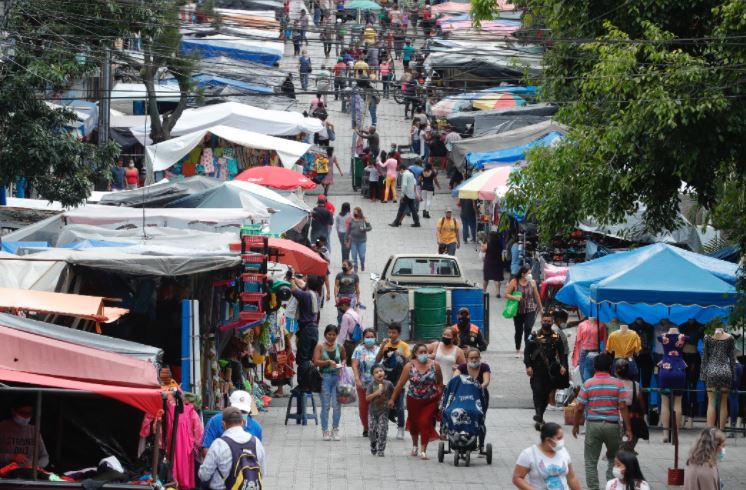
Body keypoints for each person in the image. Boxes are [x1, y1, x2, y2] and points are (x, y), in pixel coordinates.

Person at [572, 353, 632, 490]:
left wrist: (576, 425)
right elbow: (622, 407)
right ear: (611, 367)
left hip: (593, 425)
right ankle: (612, 486)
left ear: (594, 367)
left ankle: (594, 488)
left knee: (591, 461)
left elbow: (579, 407)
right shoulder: (617, 384)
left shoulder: (588, 383)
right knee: (613, 458)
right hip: (612, 426)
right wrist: (628, 429)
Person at [389, 343, 443, 459]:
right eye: (421, 352)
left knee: (425, 422)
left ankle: (423, 450)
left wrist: (439, 397)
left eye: (425, 352)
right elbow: (400, 384)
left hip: (430, 399)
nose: (424, 354)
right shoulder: (409, 366)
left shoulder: (435, 365)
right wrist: (392, 399)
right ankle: (415, 446)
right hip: (413, 400)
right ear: (415, 354)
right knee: (414, 424)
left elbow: (440, 383)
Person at [198, 406, 266, 490]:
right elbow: (262, 473)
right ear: (243, 422)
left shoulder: (219, 444)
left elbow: (204, 475)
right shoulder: (256, 442)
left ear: (223, 424)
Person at [525, 312, 568, 430]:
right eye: (545, 321)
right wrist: (528, 366)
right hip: (536, 369)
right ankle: (538, 414)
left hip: (550, 371)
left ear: (552, 322)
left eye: (549, 321)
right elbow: (526, 352)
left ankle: (540, 415)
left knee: (545, 395)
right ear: (541, 321)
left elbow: (562, 353)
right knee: (537, 391)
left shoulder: (556, 337)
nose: (546, 323)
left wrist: (563, 365)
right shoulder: (534, 335)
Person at [512, 422, 582, 490]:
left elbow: (571, 477)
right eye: (559, 438)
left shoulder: (563, 451)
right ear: (548, 440)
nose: (562, 441)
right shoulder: (528, 454)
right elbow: (517, 478)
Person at [376, 324, 412, 440]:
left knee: (400, 406)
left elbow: (409, 362)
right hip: (386, 380)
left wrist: (402, 355)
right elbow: (377, 360)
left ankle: (401, 428)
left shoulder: (404, 346)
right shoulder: (386, 345)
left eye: (394, 333)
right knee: (384, 405)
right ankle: (383, 427)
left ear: (399, 333)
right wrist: (382, 347)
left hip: (399, 380)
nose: (391, 335)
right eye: (390, 332)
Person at [202, 390, 263, 457]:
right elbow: (206, 448)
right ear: (229, 406)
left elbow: (258, 454)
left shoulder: (256, 428)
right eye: (236, 411)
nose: (239, 414)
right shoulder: (215, 421)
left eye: (243, 412)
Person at [313, 324, 347, 441]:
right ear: (325, 335)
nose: (331, 337)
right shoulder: (320, 347)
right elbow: (316, 362)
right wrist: (327, 362)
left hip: (338, 378)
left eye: (333, 334)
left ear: (336, 335)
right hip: (325, 378)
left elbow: (344, 358)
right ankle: (325, 430)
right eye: (329, 334)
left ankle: (335, 429)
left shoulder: (340, 346)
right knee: (326, 406)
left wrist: (342, 364)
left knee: (337, 406)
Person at [454, 347, 492, 451]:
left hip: (480, 396)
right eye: (471, 358)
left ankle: (481, 445)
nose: (474, 360)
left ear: (480, 358)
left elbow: (486, 381)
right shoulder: (462, 367)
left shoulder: (484, 367)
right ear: (467, 359)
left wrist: (479, 387)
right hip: (463, 396)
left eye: (476, 357)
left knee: (480, 420)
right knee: (462, 416)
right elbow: (455, 379)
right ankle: (462, 437)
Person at [0, 399, 49, 468]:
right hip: (6, 474)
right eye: (22, 413)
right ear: (13, 412)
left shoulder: (34, 430)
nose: (26, 417)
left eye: (29, 413)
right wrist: (12, 457)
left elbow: (45, 456)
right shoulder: (3, 427)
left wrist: (35, 466)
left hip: (29, 474)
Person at [506, 265, 543, 353]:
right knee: (519, 330)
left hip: (530, 309)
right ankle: (518, 348)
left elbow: (536, 296)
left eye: (530, 273)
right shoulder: (514, 282)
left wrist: (541, 308)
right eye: (528, 273)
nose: (530, 275)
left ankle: (527, 349)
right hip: (518, 310)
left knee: (528, 328)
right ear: (523, 274)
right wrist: (515, 298)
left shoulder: (532, 282)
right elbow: (506, 294)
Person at [351, 328, 380, 436]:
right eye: (367, 337)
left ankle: (375, 427)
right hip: (363, 383)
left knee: (376, 406)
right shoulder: (359, 350)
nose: (369, 339)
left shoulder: (378, 350)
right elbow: (354, 364)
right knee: (364, 407)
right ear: (363, 338)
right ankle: (366, 427)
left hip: (377, 384)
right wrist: (357, 379)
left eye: (372, 337)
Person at [615, 359, 647, 452]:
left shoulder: (614, 384)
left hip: (617, 419)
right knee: (628, 448)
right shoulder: (636, 385)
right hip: (633, 420)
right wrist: (644, 415)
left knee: (618, 449)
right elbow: (642, 404)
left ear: (616, 371)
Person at [366, 364, 394, 456]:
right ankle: (373, 443)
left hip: (384, 411)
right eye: (376, 372)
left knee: (383, 430)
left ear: (384, 372)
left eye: (381, 371)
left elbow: (394, 394)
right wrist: (376, 393)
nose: (379, 373)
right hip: (372, 412)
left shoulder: (388, 384)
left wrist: (392, 401)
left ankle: (381, 449)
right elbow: (367, 398)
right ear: (373, 375)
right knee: (371, 430)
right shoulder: (371, 385)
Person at [346, 207, 372, 272]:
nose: (354, 213)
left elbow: (370, 227)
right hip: (353, 241)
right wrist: (346, 240)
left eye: (356, 211)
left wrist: (364, 229)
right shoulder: (351, 220)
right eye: (354, 211)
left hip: (362, 241)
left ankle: (362, 264)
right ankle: (355, 268)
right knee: (354, 256)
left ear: (359, 212)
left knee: (362, 255)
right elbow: (348, 231)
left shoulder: (364, 219)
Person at [337, 296, 361, 365]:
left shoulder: (346, 316)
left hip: (349, 343)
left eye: (340, 306)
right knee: (356, 360)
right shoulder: (355, 313)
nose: (340, 308)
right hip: (357, 340)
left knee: (349, 362)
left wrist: (340, 345)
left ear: (344, 305)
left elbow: (343, 332)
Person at [482, 231, 505, 297]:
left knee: (486, 278)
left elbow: (483, 250)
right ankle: (498, 293)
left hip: (489, 262)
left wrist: (481, 244)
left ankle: (484, 291)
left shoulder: (488, 244)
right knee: (497, 278)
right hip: (498, 262)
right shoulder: (500, 244)